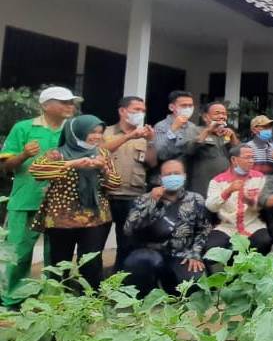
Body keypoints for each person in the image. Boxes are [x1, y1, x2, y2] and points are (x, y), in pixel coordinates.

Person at [0, 86, 77, 306]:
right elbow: (6, 167)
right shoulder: (24, 128)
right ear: (45, 105)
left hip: (60, 203)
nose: (70, 105)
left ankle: (49, 302)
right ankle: (11, 302)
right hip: (26, 200)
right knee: (18, 253)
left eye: (71, 102)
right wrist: (24, 154)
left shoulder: (72, 130)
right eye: (64, 102)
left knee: (57, 256)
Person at [29, 115, 121, 290]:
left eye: (100, 132)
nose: (97, 136)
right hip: (62, 219)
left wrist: (103, 169)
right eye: (92, 132)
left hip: (95, 218)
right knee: (60, 263)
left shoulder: (102, 153)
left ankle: (91, 303)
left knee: (92, 262)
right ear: (77, 131)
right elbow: (37, 171)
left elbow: (115, 184)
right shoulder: (57, 153)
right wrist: (72, 163)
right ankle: (58, 302)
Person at [122, 160, 212, 296]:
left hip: (181, 254)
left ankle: (170, 287)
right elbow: (129, 229)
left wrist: (195, 254)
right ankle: (144, 294)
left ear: (184, 176)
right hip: (150, 252)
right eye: (168, 174)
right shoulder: (144, 199)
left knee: (192, 287)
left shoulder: (195, 199)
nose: (172, 177)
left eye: (177, 173)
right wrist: (152, 202)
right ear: (160, 178)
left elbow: (203, 229)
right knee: (140, 263)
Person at [103, 96, 157, 271]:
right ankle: (92, 284)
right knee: (95, 242)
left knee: (127, 242)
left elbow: (152, 163)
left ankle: (120, 280)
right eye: (136, 110)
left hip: (132, 195)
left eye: (143, 111)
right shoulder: (106, 132)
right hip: (105, 194)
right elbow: (101, 150)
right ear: (122, 111)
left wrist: (150, 141)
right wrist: (129, 136)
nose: (140, 114)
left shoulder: (144, 136)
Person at [205, 144, 272, 266]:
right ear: (234, 160)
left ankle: (249, 271)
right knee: (211, 250)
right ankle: (229, 273)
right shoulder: (217, 180)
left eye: (252, 157)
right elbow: (210, 206)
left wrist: (250, 201)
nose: (251, 160)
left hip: (252, 224)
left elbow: (264, 203)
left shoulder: (259, 177)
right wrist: (228, 191)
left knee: (264, 241)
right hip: (226, 226)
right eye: (247, 157)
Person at [184, 101, 238, 198]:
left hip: (225, 187)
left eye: (224, 114)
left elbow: (238, 153)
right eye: (217, 113)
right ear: (205, 117)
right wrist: (208, 131)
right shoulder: (194, 130)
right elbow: (189, 150)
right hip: (203, 188)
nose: (222, 116)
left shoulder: (226, 134)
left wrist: (233, 136)